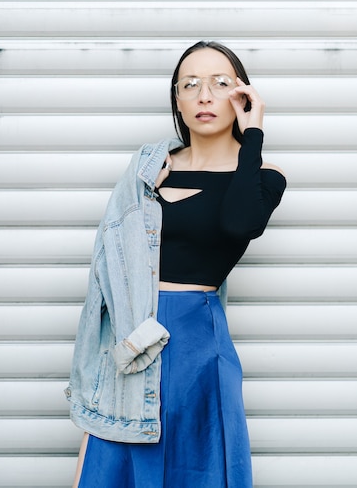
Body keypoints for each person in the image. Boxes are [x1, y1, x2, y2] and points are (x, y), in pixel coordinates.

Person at [65, 41, 286, 488]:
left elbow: (240, 222)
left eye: (220, 83)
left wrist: (253, 133)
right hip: (131, 336)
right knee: (111, 459)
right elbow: (108, 268)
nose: (205, 95)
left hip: (198, 345)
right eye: (190, 85)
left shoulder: (264, 177)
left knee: (197, 468)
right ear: (178, 102)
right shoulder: (147, 170)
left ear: (241, 95)